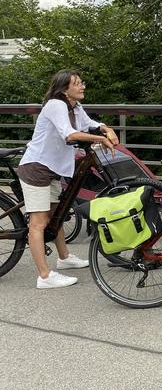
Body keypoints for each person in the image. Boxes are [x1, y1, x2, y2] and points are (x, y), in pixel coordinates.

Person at [19, 70, 118, 289]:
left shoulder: (75, 106)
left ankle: (64, 258)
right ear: (64, 89)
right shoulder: (56, 105)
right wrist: (100, 139)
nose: (82, 86)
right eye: (77, 83)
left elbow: (88, 123)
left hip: (52, 169)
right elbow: (69, 134)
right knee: (39, 222)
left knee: (56, 216)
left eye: (82, 82)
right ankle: (44, 276)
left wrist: (105, 128)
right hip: (36, 168)